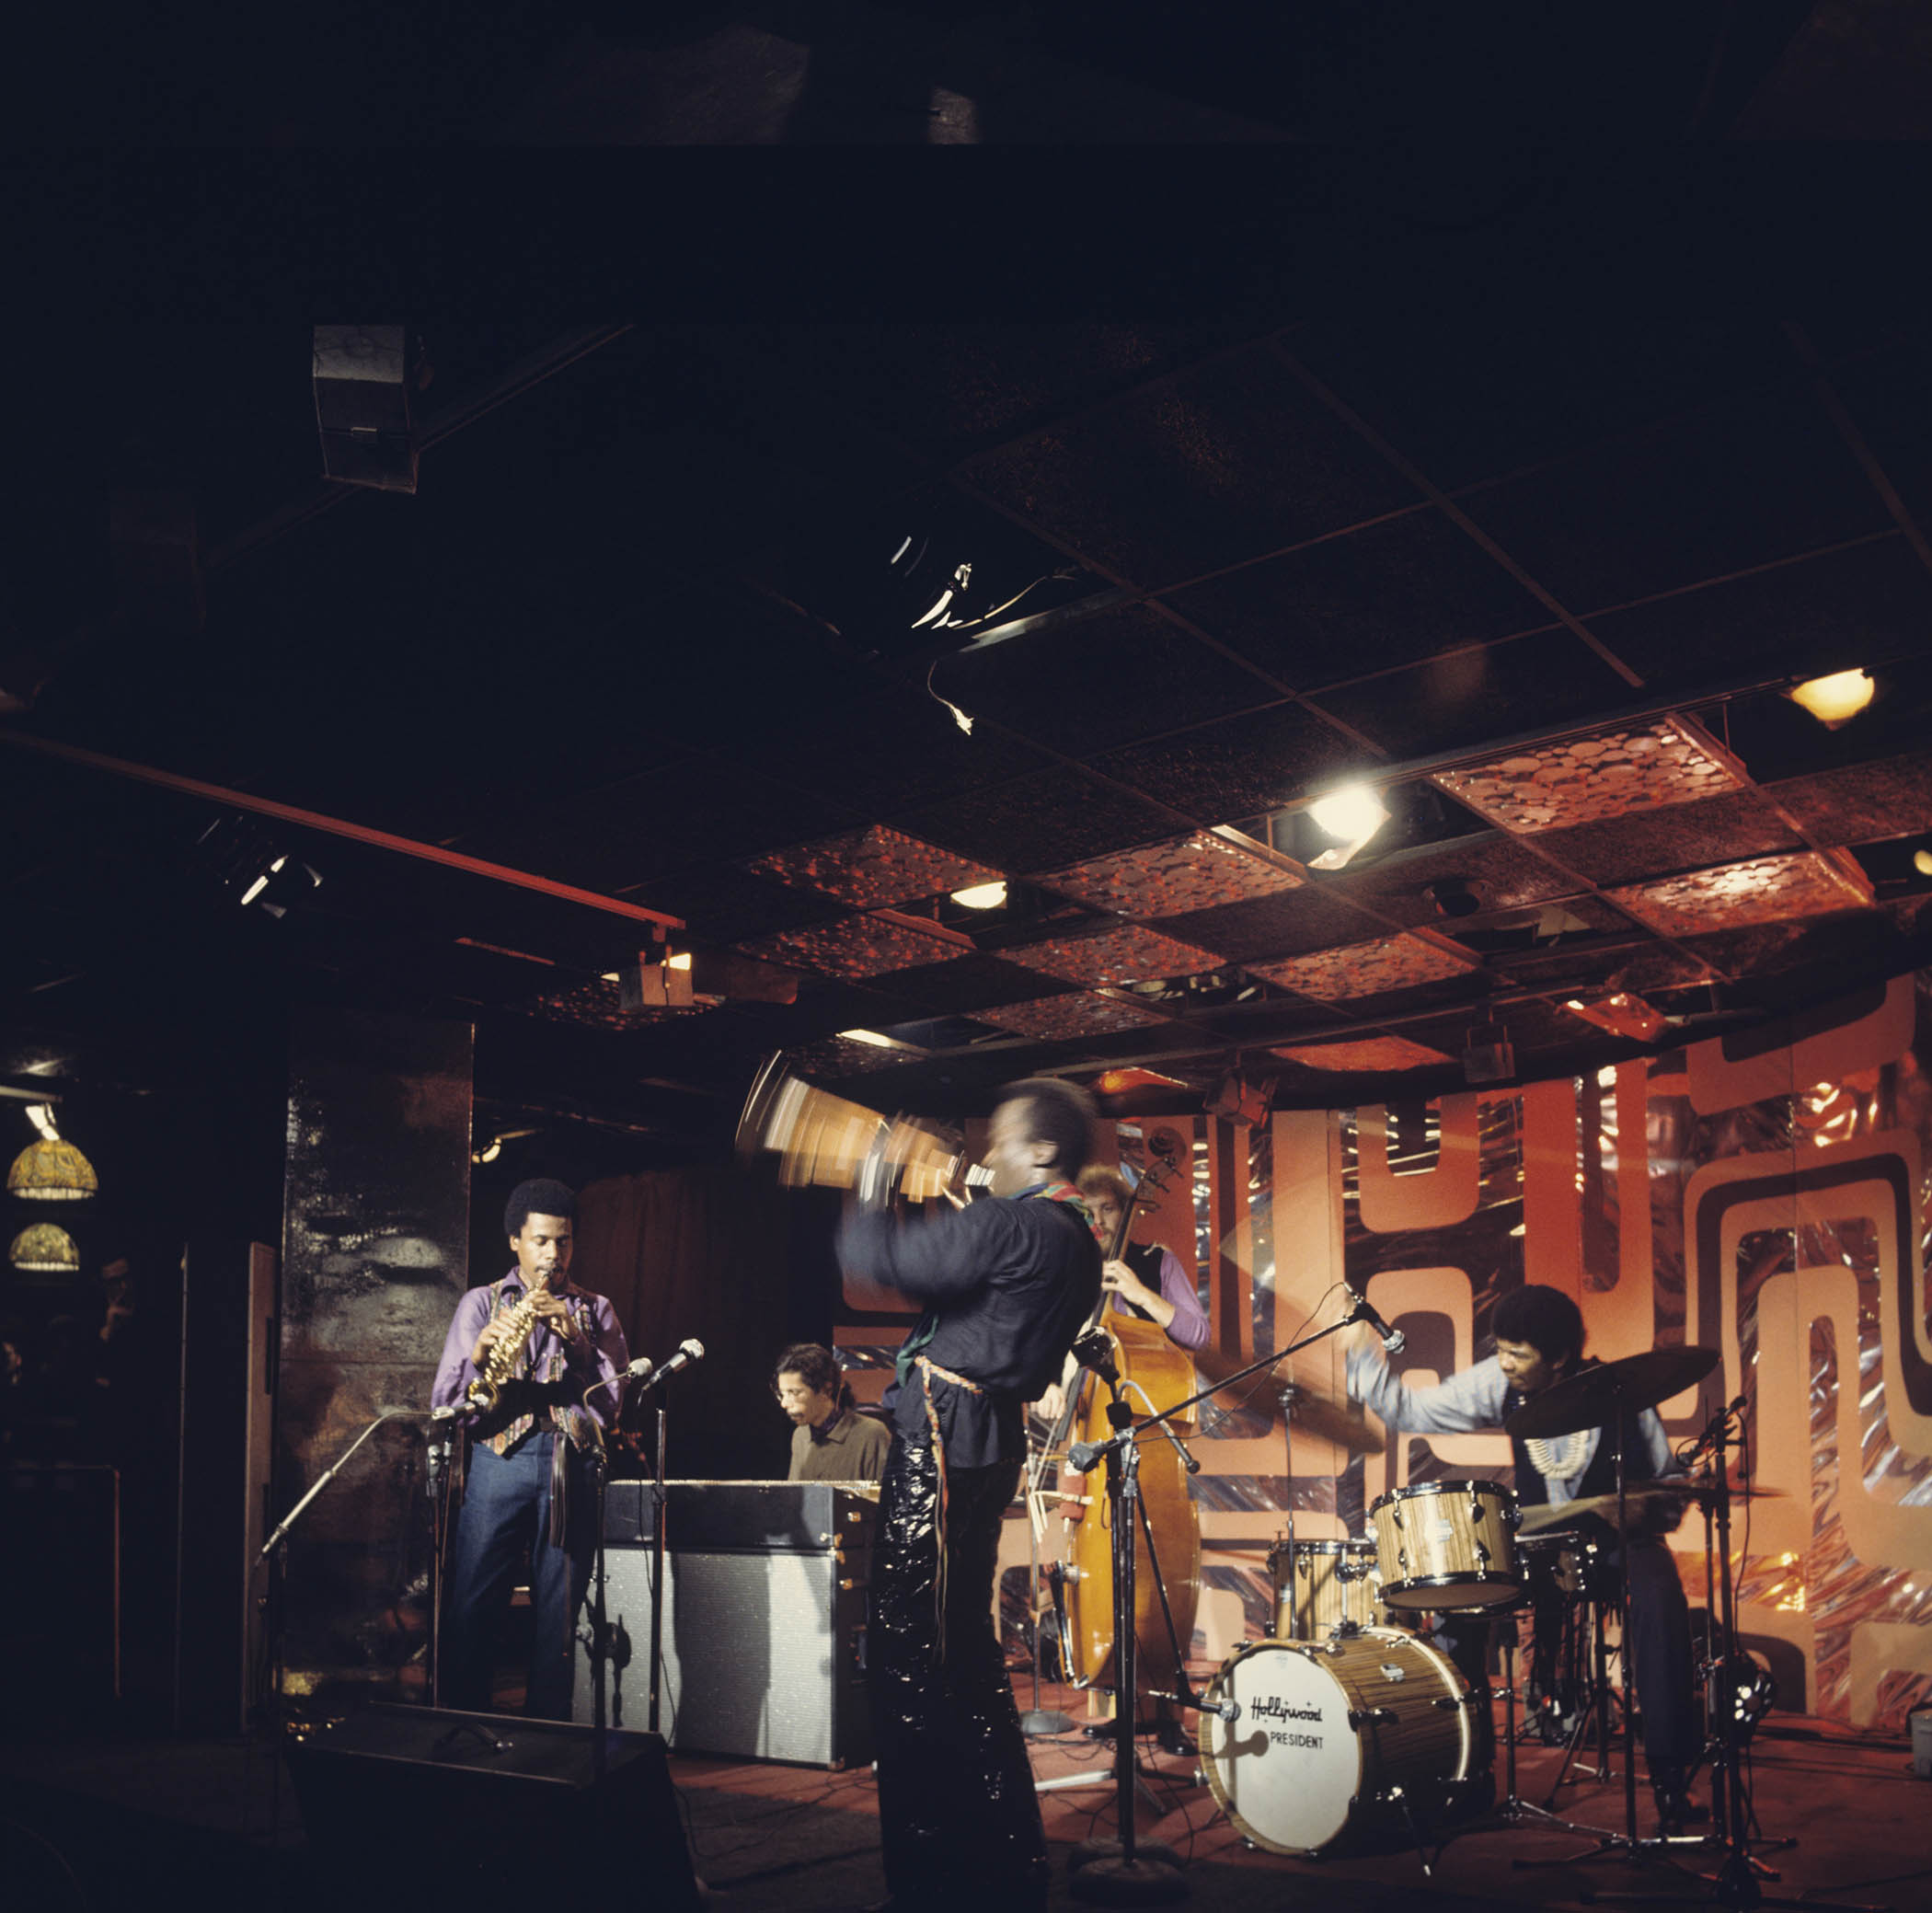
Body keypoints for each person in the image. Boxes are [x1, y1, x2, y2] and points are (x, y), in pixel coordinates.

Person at [837, 1079, 1103, 1913]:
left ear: (1044, 1153)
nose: (986, 1155)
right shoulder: (1075, 1240)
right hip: (984, 1443)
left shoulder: (1006, 1222)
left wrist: (876, 1172)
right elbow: (980, 1299)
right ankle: (1006, 1865)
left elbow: (882, 1263)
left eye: (1002, 1142)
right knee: (966, 1656)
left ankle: (929, 1882)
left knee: (909, 1660)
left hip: (942, 1444)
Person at [1345, 1283, 1703, 1830]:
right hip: (1538, 1548)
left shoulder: (1620, 1390)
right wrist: (1363, 1362)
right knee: (1458, 1602)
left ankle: (1671, 1780)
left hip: (1613, 1548)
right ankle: (1468, 1774)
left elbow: (1670, 1484)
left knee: (1658, 1594)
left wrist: (1648, 1507)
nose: (1505, 1363)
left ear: (1559, 1358)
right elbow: (1410, 1409)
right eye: (1501, 1349)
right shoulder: (1498, 1381)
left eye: (1520, 1354)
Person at [431, 1178, 628, 1719]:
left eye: (563, 1242)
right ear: (515, 1241)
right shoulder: (480, 1303)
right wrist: (480, 1353)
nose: (553, 1255)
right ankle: (464, 1726)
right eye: (541, 1241)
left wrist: (578, 1341)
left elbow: (612, 1405)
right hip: (499, 1461)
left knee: (558, 1612)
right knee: (473, 1601)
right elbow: (447, 1402)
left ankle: (549, 1740)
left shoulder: (596, 1309)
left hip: (569, 1464)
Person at [1031, 1162, 1208, 1424]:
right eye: (1088, 1212)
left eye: (1108, 1208)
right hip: (1080, 1421)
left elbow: (1199, 1336)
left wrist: (1142, 1295)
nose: (1099, 1221)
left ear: (1126, 1212)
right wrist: (1044, 1384)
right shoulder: (1060, 1270)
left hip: (1145, 1415)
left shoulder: (1158, 1260)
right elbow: (1034, 1343)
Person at [776, 1341, 891, 1482]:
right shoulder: (801, 1435)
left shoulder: (872, 1434)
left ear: (825, 1390)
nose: (784, 1404)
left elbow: (886, 1500)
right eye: (782, 1394)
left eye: (794, 1393)